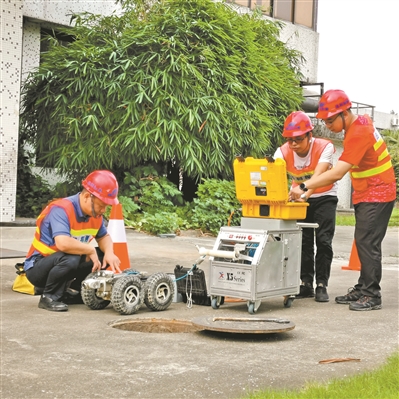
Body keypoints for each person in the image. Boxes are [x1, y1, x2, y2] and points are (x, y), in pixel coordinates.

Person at [290, 90, 396, 311]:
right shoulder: (357, 125)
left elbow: (337, 173)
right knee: (363, 240)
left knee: (367, 242)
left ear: (345, 113)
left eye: (330, 120)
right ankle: (363, 287)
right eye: (324, 121)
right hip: (367, 192)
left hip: (378, 192)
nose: (327, 125)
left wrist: (303, 186)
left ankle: (372, 295)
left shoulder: (358, 132)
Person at [24, 170, 122, 312]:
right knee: (72, 257)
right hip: (38, 268)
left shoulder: (94, 215)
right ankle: (49, 297)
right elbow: (63, 243)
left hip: (62, 263)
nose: (103, 210)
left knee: (101, 256)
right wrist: (88, 249)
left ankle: (75, 292)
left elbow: (103, 237)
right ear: (88, 196)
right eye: (101, 205)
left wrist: (110, 253)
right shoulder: (61, 209)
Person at [274, 111, 338, 302]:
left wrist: (304, 194)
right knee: (303, 241)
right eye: (290, 139)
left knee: (324, 240)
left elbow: (318, 175)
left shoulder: (325, 147)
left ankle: (322, 284)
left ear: (310, 136)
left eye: (298, 139)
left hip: (325, 195)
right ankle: (306, 283)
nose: (293, 144)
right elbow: (275, 175)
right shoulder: (283, 151)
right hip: (299, 198)